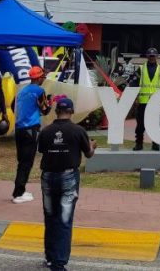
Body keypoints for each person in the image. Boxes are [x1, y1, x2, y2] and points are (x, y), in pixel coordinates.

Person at [37, 97, 97, 271]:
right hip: (68, 177)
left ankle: (50, 258)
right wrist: (92, 146)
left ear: (56, 111)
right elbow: (88, 154)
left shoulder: (46, 131)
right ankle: (59, 263)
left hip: (48, 177)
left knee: (50, 217)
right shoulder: (78, 130)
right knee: (64, 220)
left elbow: (41, 150)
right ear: (71, 112)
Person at [12, 65, 51, 203]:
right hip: (31, 129)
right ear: (38, 78)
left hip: (19, 129)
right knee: (27, 162)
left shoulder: (22, 91)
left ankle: (20, 190)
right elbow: (45, 110)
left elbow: (13, 106)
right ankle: (18, 194)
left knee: (22, 161)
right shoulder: (39, 91)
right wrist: (50, 103)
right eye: (43, 77)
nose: (43, 80)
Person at [130, 47, 160, 151]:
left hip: (156, 102)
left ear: (157, 56)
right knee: (140, 125)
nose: (152, 58)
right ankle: (139, 144)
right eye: (150, 56)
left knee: (156, 124)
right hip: (143, 102)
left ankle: (155, 144)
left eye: (153, 56)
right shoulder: (141, 69)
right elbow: (134, 83)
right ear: (147, 56)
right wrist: (135, 97)